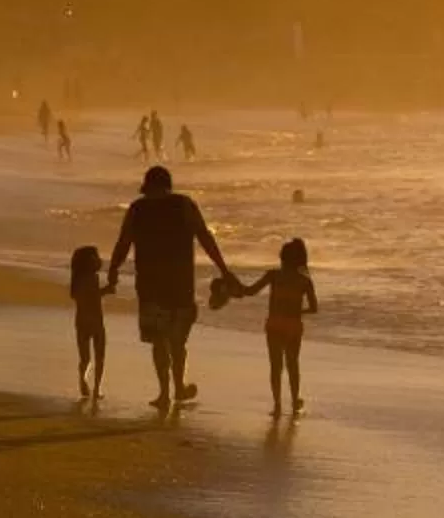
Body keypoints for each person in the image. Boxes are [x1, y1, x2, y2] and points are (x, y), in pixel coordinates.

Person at [105, 164, 234, 410]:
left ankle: (164, 392)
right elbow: (205, 237)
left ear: (147, 185)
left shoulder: (137, 209)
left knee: (158, 341)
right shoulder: (184, 205)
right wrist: (224, 270)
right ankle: (179, 387)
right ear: (168, 184)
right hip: (181, 286)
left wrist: (113, 270)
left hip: (150, 287)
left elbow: (123, 242)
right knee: (177, 342)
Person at [234, 238, 320, 416]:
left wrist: (233, 285)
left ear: (282, 257)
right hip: (293, 325)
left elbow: (250, 291)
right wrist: (298, 311)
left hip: (274, 323)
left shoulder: (273, 275)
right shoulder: (304, 281)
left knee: (275, 366)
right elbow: (314, 308)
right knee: (292, 364)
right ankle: (295, 401)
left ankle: (277, 405)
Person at [67, 245, 108, 401]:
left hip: (83, 321)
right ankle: (95, 387)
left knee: (87, 358)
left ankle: (87, 382)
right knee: (98, 356)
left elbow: (84, 297)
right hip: (95, 321)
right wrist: (106, 291)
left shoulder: (79, 279)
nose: (99, 260)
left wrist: (103, 291)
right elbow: (92, 297)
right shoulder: (89, 278)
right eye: (95, 257)